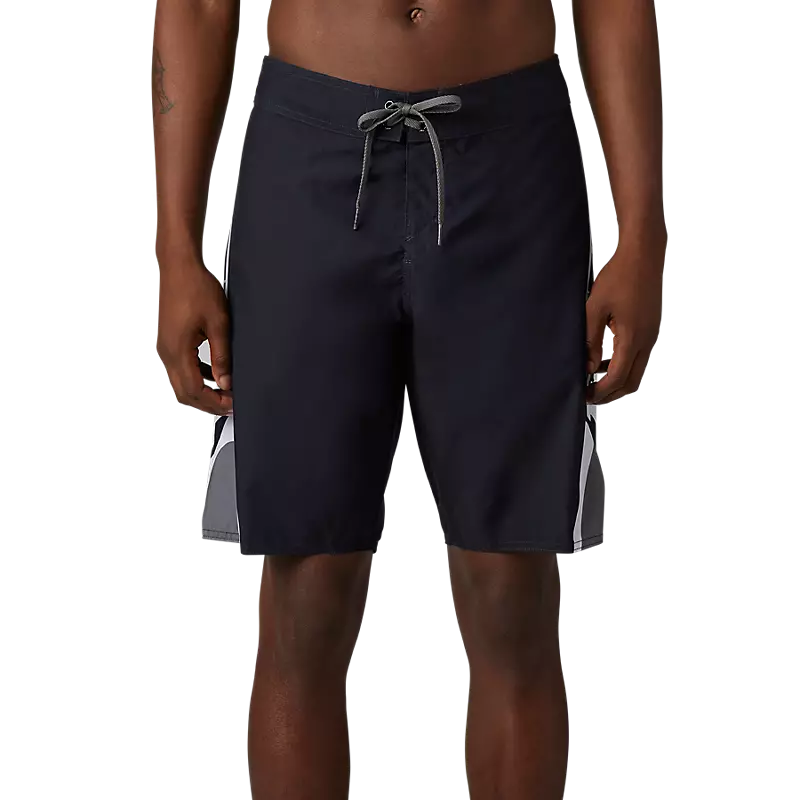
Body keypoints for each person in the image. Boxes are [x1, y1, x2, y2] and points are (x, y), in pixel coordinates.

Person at [152, 0, 665, 797]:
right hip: (311, 149)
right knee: (308, 585)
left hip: (510, 158)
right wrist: (175, 251)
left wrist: (643, 240)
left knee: (511, 581)